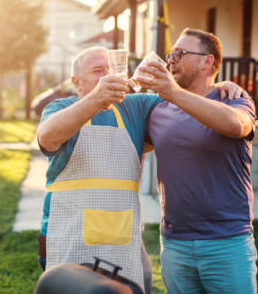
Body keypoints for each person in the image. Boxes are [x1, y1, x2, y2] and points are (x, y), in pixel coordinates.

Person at [36, 46, 246, 294]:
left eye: (110, 69)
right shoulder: (60, 108)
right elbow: (47, 138)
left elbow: (187, 94)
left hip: (122, 239)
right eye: (97, 71)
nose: (107, 75)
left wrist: (219, 85)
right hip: (68, 236)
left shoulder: (135, 106)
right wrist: (96, 99)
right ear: (76, 82)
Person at [138, 28, 258, 294]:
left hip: (227, 242)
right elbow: (129, 145)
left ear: (207, 61)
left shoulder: (234, 98)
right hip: (174, 243)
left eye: (180, 54)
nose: (171, 60)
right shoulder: (158, 110)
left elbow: (235, 126)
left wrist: (173, 93)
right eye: (172, 54)